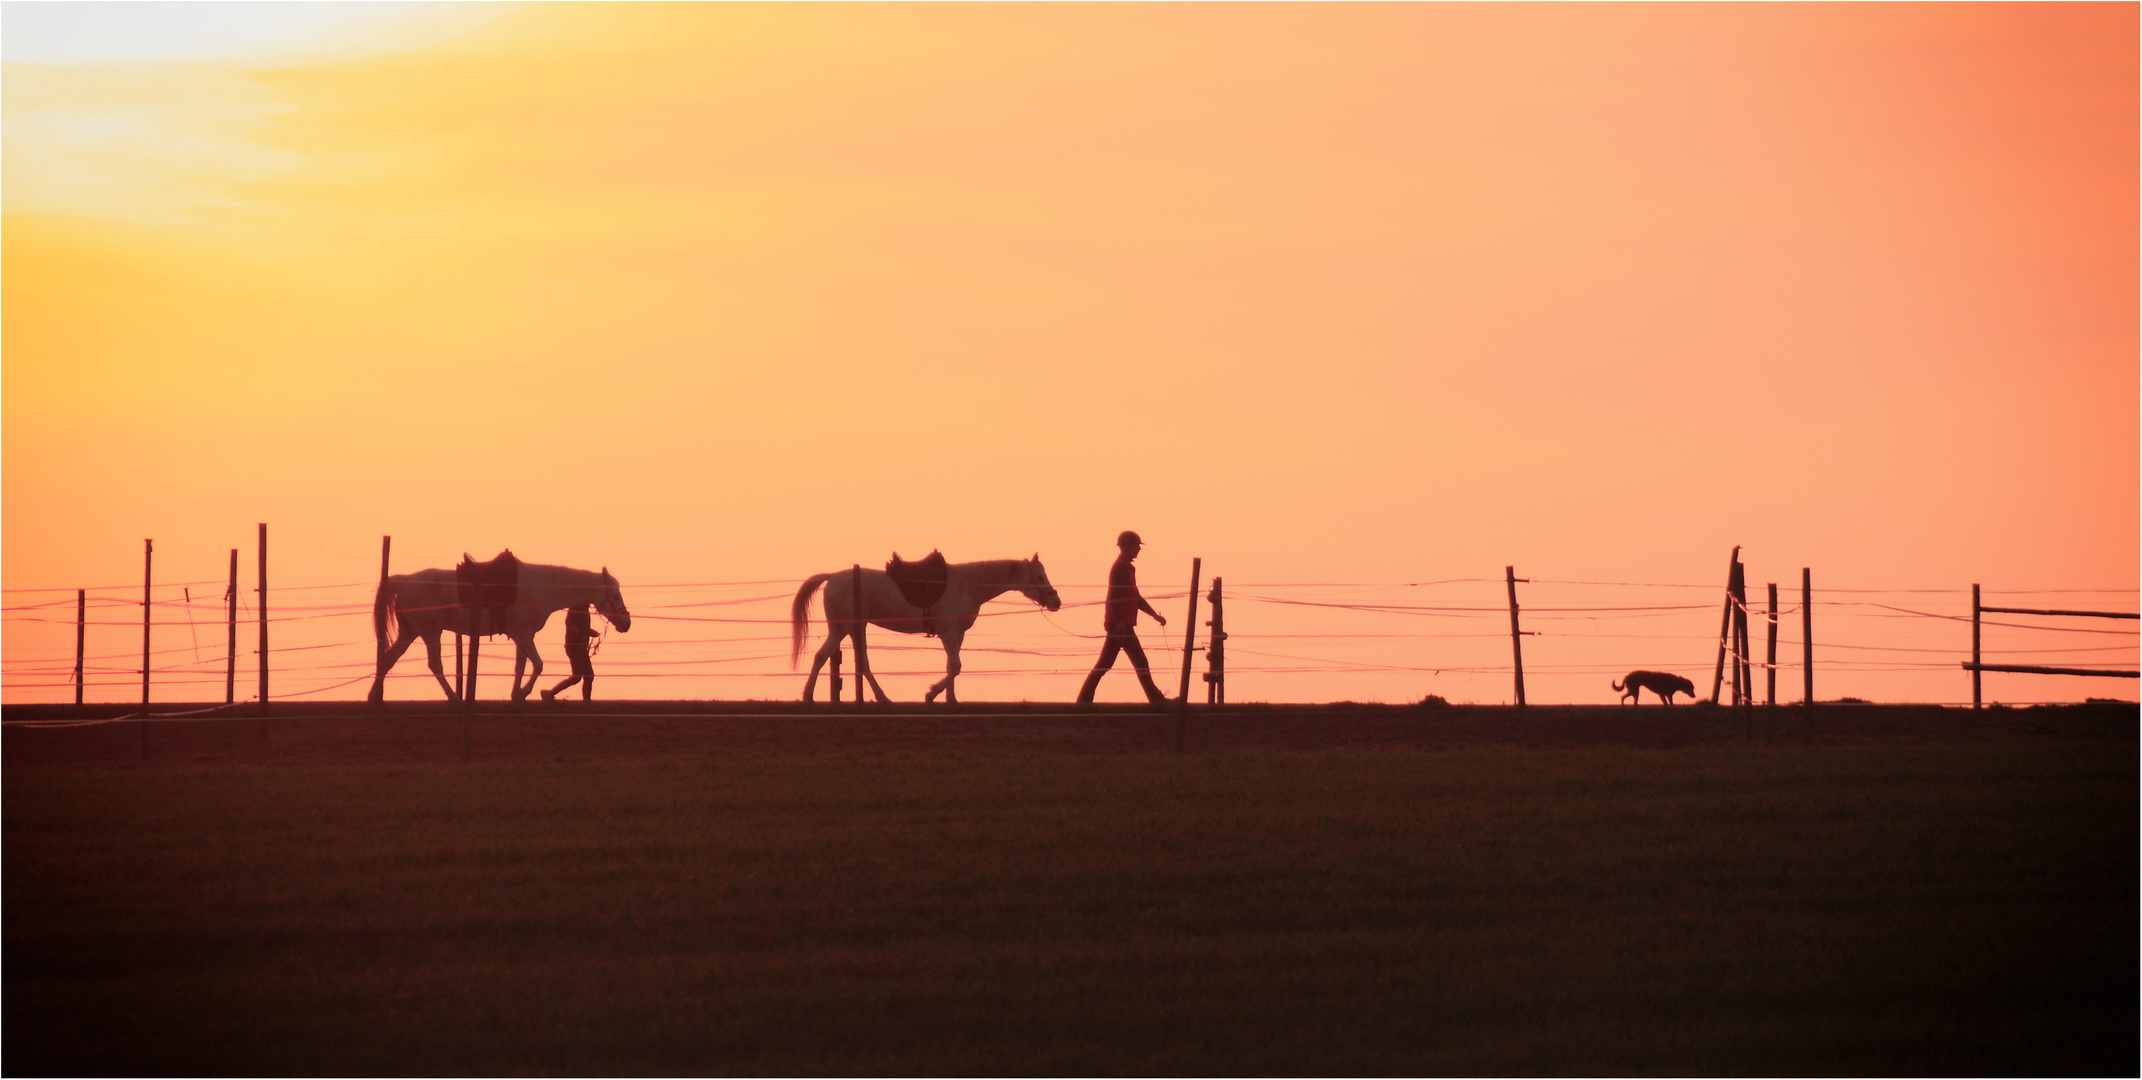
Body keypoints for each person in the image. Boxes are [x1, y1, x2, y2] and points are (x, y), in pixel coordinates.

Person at [1077, 530, 1169, 705]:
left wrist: (1154, 616)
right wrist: (1118, 621)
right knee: (1111, 663)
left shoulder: (1127, 567)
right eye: (1136, 546)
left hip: (1123, 624)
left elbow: (1135, 598)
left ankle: (1156, 699)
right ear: (1126, 547)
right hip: (1120, 625)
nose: (1139, 550)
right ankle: (1083, 700)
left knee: (1134, 662)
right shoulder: (1120, 567)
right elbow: (1116, 596)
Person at [542, 604, 600, 701]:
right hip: (575, 647)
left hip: (579, 647)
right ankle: (551, 693)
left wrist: (591, 633)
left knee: (587, 676)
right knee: (579, 676)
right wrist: (580, 635)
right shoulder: (576, 609)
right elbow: (572, 625)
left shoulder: (583, 610)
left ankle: (586, 701)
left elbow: (582, 627)